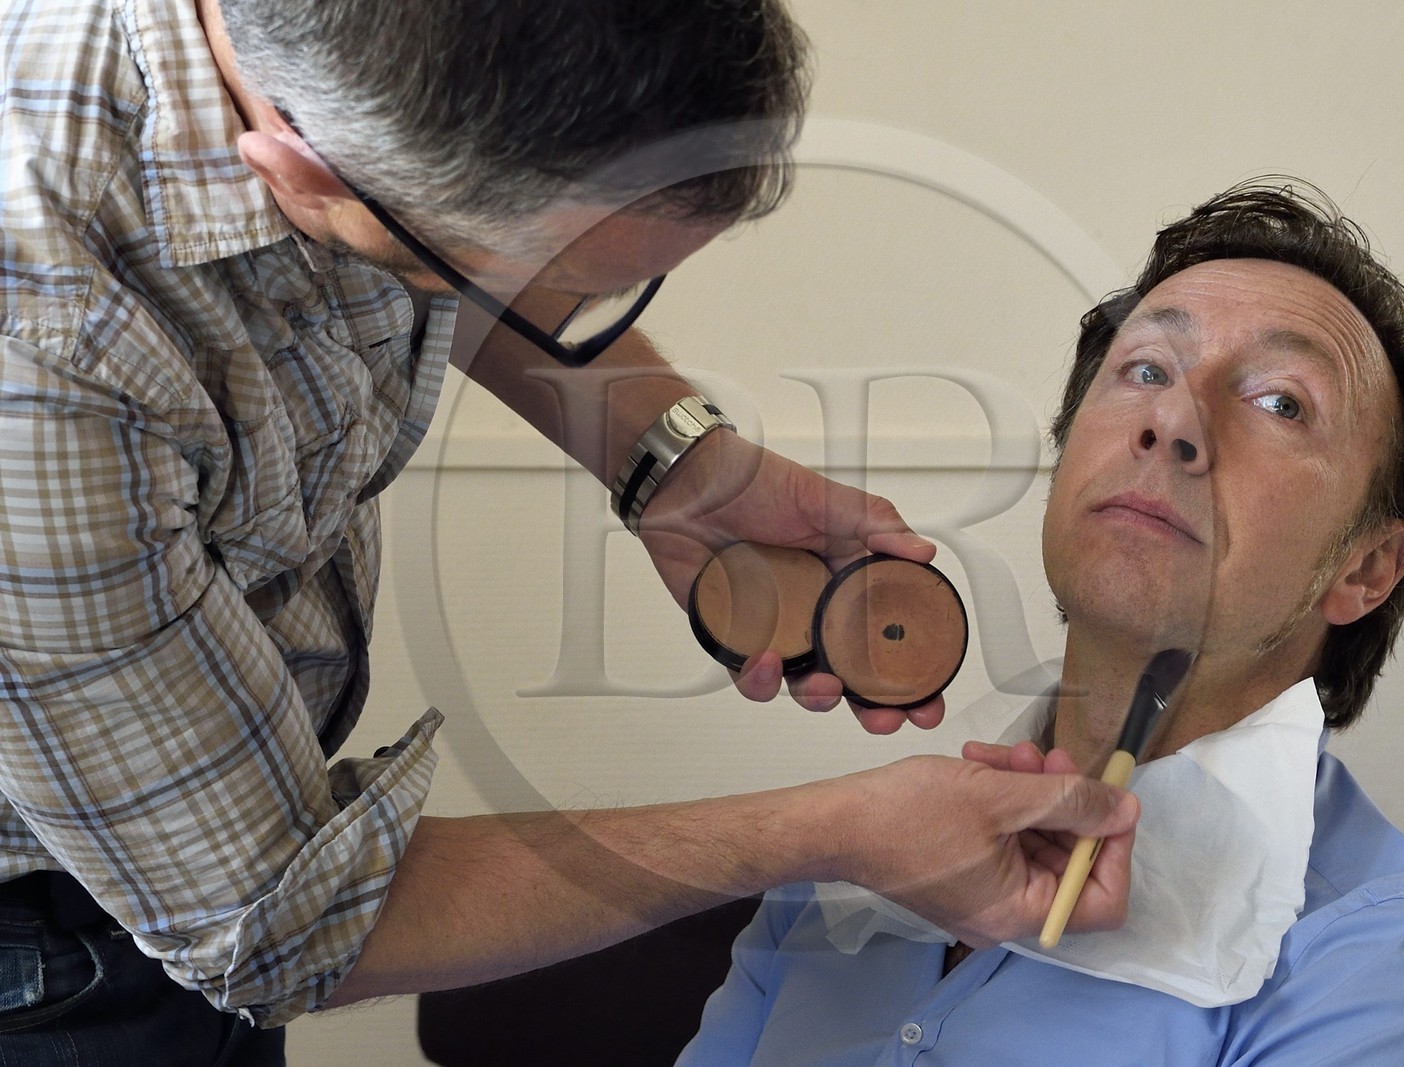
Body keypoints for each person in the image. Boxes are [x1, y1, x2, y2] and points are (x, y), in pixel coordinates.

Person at [0, 0, 1140, 1060]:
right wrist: (835, 828)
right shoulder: (47, 367)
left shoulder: (346, 112)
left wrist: (674, 462)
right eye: (580, 290)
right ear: (301, 177)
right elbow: (277, 918)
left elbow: (447, 253)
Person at [679, 181, 1404, 1065]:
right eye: (1146, 369)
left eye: (1280, 402)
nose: (1173, 420)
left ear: (1367, 567)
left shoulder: (1380, 976)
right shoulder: (840, 880)